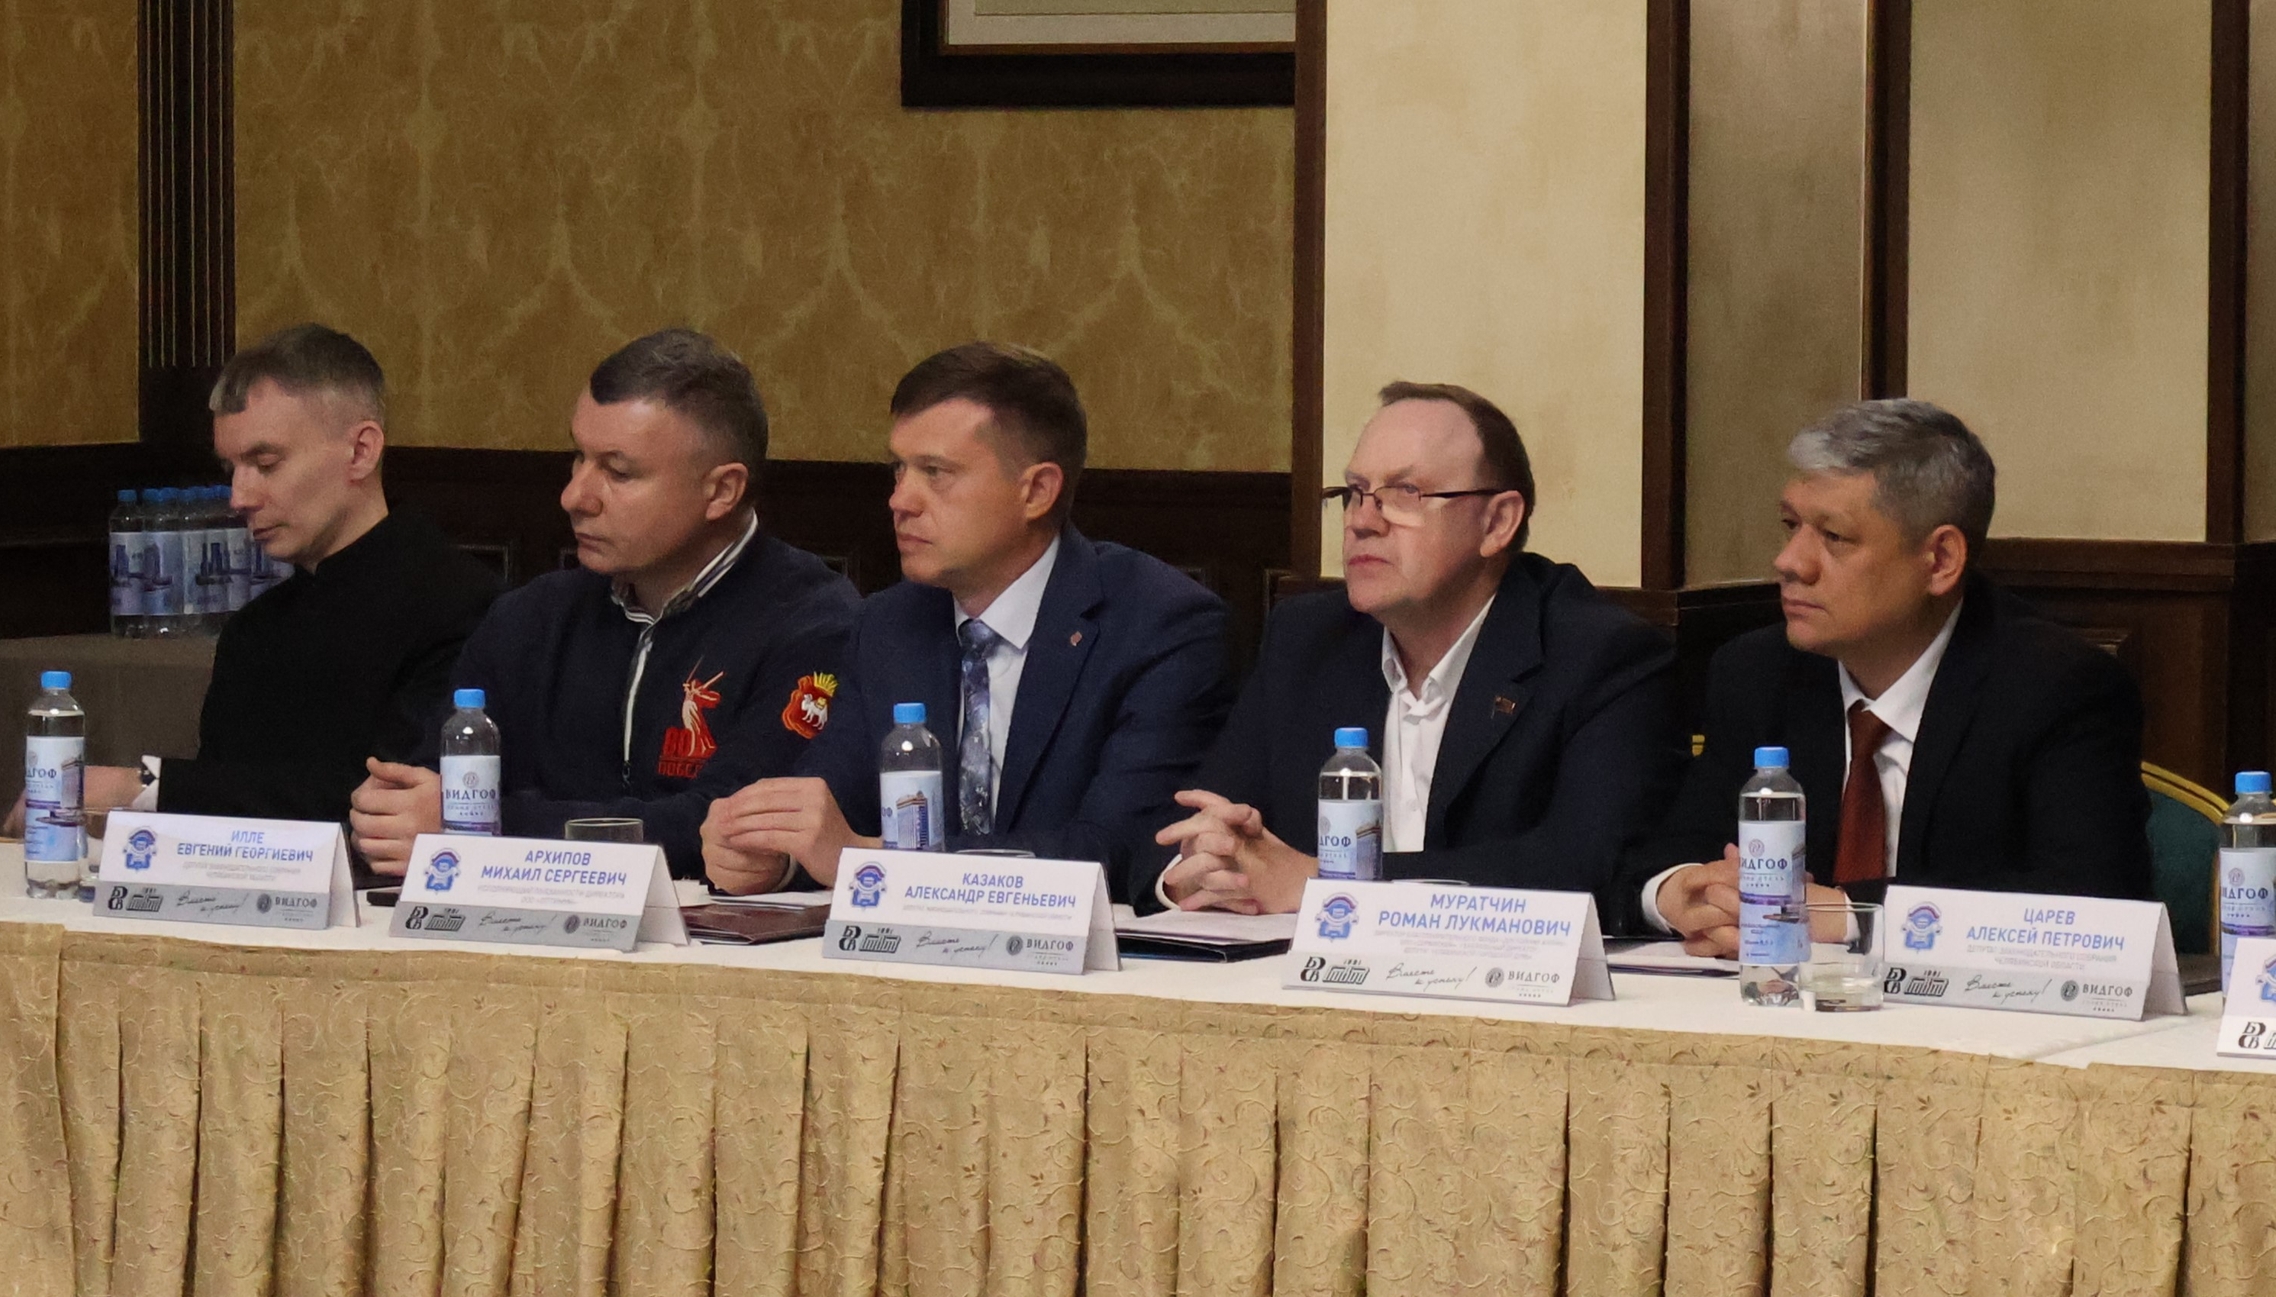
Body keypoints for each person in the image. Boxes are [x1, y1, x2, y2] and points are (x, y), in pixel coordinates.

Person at [699, 342, 1230, 898]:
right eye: (898, 469)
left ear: (1037, 491)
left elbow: (1119, 850)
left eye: (935, 472)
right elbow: (835, 804)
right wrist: (771, 852)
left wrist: (875, 861)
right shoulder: (888, 624)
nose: (900, 500)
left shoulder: (1161, 625)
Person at [1626, 398, 2153, 953]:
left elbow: (2094, 900)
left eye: (1834, 537)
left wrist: (1851, 916)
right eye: (1791, 526)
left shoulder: (2056, 687)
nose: (1790, 561)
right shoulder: (1757, 672)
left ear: (1940, 560)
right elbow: (1668, 849)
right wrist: (1680, 893)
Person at [1146, 382, 1681, 915]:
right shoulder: (1307, 640)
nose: (1362, 521)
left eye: (1405, 494)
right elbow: (1185, 825)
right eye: (1355, 492)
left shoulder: (1598, 654)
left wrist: (1324, 885)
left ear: (1497, 522)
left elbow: (1587, 865)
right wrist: (1199, 866)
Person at [346, 329, 859, 880]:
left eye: (618, 472)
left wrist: (483, 827)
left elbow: (726, 830)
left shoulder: (813, 621)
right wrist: (392, 815)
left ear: (721, 491)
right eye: (578, 457)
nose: (574, 496)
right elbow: (432, 790)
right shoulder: (529, 617)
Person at [73, 324, 499, 823]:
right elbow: (222, 803)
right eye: (231, 469)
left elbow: (389, 803)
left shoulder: (462, 607)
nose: (239, 497)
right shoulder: (254, 629)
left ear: (361, 451)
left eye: (266, 463)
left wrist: (145, 788)